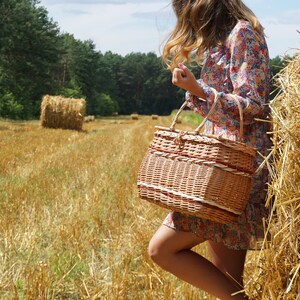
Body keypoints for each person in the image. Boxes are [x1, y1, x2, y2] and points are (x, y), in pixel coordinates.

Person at [148, 1, 272, 299]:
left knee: (161, 249)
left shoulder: (243, 34)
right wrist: (197, 90)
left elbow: (252, 106)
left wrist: (200, 90)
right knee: (228, 282)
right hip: (223, 166)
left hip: (239, 169)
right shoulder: (225, 39)